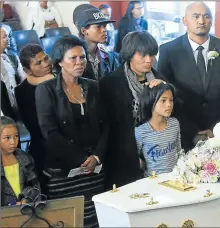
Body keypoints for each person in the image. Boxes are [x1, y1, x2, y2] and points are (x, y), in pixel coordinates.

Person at [35, 35, 108, 227]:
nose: (79, 62)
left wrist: (97, 157)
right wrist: (81, 159)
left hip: (94, 169)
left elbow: (106, 125)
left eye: (82, 57)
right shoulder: (46, 90)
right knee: (68, 221)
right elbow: (49, 133)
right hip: (64, 171)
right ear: (60, 61)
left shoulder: (92, 86)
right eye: (73, 58)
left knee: (94, 219)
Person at [158, 1, 220, 151]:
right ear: (185, 20)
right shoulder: (168, 51)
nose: (201, 21)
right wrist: (191, 131)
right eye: (196, 16)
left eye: (206, 16)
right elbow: (166, 96)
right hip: (184, 132)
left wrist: (219, 127)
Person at [99, 31, 165, 189]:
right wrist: (132, 155)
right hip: (122, 156)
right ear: (129, 54)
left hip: (157, 153)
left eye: (152, 54)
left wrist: (165, 90)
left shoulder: (160, 79)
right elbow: (109, 126)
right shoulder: (110, 83)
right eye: (142, 55)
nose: (149, 60)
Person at [15, 44, 54, 192]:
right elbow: (36, 127)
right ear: (26, 70)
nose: (46, 64)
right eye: (38, 63)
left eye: (46, 58)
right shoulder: (22, 92)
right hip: (44, 148)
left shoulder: (61, 76)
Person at [135, 83, 180, 177]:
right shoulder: (141, 131)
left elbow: (179, 151)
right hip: (153, 181)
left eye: (171, 100)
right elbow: (136, 158)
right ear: (151, 102)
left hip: (175, 178)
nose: (169, 104)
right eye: (163, 100)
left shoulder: (174, 123)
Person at [73, 4, 119, 81]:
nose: (104, 30)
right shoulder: (75, 61)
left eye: (104, 26)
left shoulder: (109, 58)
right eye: (98, 26)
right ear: (84, 31)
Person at [1, 116, 40, 207]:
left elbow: (34, 186)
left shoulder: (26, 158)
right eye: (7, 138)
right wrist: (12, 204)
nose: (13, 142)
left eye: (16, 136)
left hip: (28, 208)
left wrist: (27, 199)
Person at [1, 24, 26, 121]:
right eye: (3, 37)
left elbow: (23, 78)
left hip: (16, 99)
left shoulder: (13, 57)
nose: (7, 39)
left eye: (7, 36)